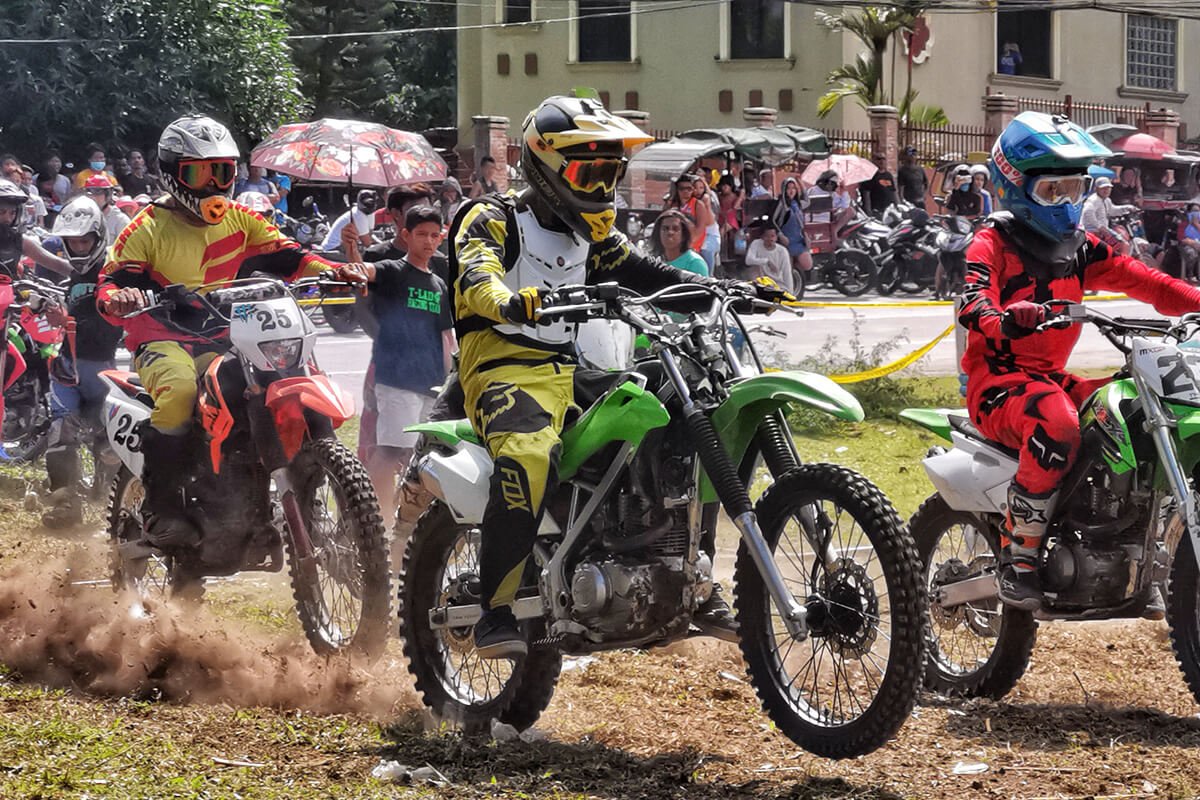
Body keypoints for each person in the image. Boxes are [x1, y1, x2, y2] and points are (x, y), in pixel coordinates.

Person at [426, 95, 787, 659]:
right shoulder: (494, 218)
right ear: (545, 168)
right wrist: (509, 302)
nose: (600, 188)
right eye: (587, 174)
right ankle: (497, 609)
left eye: (609, 174)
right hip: (503, 369)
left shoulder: (591, 237)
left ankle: (694, 579)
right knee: (529, 455)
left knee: (688, 414)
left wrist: (729, 290)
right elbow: (475, 273)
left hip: (574, 369)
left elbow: (649, 273)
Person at [959, 111, 1200, 611]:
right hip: (998, 383)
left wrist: (1196, 300)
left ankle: (1124, 539)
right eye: (1053, 192)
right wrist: (1004, 320)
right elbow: (971, 300)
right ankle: (1020, 558)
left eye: (1075, 189)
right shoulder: (992, 243)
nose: (1067, 203)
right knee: (1057, 424)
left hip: (1051, 377)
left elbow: (1148, 282)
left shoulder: (1081, 249)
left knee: (1131, 410)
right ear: (1014, 186)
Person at [96, 114, 352, 549]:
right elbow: (111, 283)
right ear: (171, 173)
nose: (214, 184)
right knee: (179, 393)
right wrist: (119, 297)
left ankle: (281, 495)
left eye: (222, 171)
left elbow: (291, 257)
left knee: (277, 379)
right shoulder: (146, 227)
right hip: (162, 338)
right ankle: (161, 508)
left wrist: (337, 270)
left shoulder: (241, 219)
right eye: (199, 173)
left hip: (227, 335)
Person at [330, 206, 455, 523]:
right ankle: (376, 523)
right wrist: (351, 249)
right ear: (405, 235)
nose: (429, 241)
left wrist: (450, 381)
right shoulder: (392, 270)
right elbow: (362, 272)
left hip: (431, 383)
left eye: (434, 235)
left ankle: (408, 523)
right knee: (390, 452)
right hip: (397, 380)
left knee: (424, 457)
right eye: (421, 234)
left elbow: (446, 337)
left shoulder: (439, 285)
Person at [40, 197, 124, 528]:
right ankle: (65, 504)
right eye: (72, 242)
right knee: (60, 432)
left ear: (98, 237)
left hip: (104, 367)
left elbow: (110, 326)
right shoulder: (74, 274)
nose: (78, 247)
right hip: (69, 365)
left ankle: (111, 503)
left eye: (84, 241)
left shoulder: (113, 272)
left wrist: (68, 321)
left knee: (109, 440)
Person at [1080, 177, 1138, 253]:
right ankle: (1122, 261)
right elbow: (1087, 214)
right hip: (1094, 232)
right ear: (1096, 189)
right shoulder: (1093, 200)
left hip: (1103, 231)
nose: (1106, 190)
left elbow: (1112, 210)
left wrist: (1128, 208)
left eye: (1108, 188)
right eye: (1103, 188)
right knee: (1123, 244)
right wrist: (1100, 227)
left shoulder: (1106, 200)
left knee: (1120, 244)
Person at [648, 209, 707, 275]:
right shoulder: (653, 261)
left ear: (684, 235)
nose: (670, 232)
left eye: (675, 229)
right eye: (665, 228)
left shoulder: (695, 263)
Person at [771, 177, 812, 275]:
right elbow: (772, 220)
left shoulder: (797, 203)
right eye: (788, 188)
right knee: (787, 271)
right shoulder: (781, 204)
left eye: (793, 188)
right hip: (786, 241)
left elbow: (807, 201)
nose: (791, 191)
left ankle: (797, 269)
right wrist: (780, 235)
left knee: (807, 264)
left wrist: (801, 184)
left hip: (798, 240)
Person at [743, 223, 794, 293]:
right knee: (753, 268)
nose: (770, 239)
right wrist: (767, 261)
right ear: (762, 237)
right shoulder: (756, 244)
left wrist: (790, 293)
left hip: (778, 285)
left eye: (772, 236)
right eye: (767, 236)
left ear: (776, 237)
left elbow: (787, 273)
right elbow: (748, 260)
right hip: (762, 282)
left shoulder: (782, 251)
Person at [82, 174, 131, 240]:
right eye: (89, 193)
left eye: (97, 192)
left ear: (108, 195)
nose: (92, 197)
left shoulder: (121, 220)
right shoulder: (82, 218)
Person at [897, 146, 928, 210]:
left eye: (914, 154)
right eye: (910, 154)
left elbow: (926, 183)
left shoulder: (920, 169)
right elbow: (900, 188)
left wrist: (924, 195)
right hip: (909, 202)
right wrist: (902, 200)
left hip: (920, 201)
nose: (913, 156)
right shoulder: (902, 170)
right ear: (906, 156)